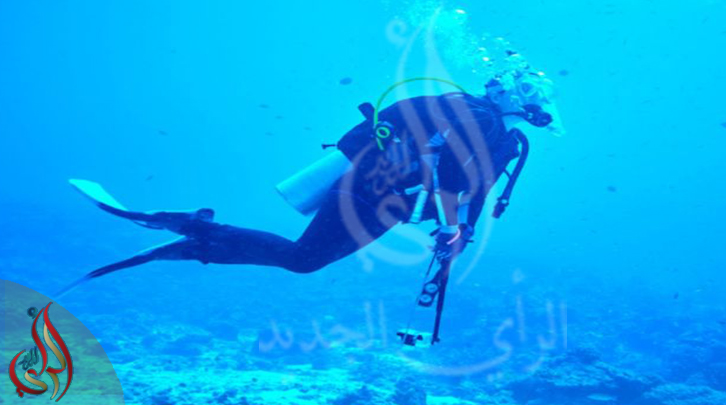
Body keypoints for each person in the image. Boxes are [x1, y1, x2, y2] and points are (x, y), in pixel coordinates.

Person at [56, 65, 563, 298]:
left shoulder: (493, 131)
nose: (541, 116)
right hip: (371, 194)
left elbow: (477, 189)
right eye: (539, 107)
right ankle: (192, 231)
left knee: (304, 260)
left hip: (379, 199)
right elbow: (451, 176)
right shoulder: (483, 122)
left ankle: (194, 235)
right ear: (524, 105)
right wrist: (452, 228)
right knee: (303, 259)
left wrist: (464, 229)